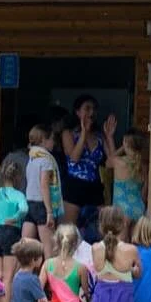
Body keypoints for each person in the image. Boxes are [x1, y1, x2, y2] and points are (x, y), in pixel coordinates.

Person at [85, 206, 139, 302]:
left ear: (101, 226)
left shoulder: (95, 248)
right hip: (123, 299)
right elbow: (138, 273)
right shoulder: (130, 250)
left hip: (102, 298)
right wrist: (133, 270)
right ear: (123, 224)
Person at [62, 95, 117, 235]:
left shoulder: (99, 136)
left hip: (95, 186)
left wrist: (109, 137)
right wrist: (83, 133)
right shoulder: (68, 133)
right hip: (74, 186)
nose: (91, 112)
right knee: (69, 233)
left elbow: (113, 161)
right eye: (87, 108)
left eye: (94, 109)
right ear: (77, 112)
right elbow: (74, 158)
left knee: (104, 230)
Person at [0, 159, 29, 293]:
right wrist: (15, 218)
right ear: (18, 178)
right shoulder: (18, 195)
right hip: (11, 232)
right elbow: (24, 209)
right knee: (8, 277)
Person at [24, 125, 63, 256]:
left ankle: (18, 275)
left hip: (29, 203)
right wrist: (49, 212)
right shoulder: (46, 160)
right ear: (43, 141)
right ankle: (49, 275)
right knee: (49, 248)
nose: (54, 142)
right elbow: (44, 185)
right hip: (41, 204)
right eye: (52, 139)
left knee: (25, 247)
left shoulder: (32, 157)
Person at [110, 131, 147, 223]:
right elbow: (144, 192)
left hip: (122, 210)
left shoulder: (120, 162)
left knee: (120, 238)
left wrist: (123, 147)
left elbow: (108, 161)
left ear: (125, 143)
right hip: (139, 208)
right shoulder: (143, 166)